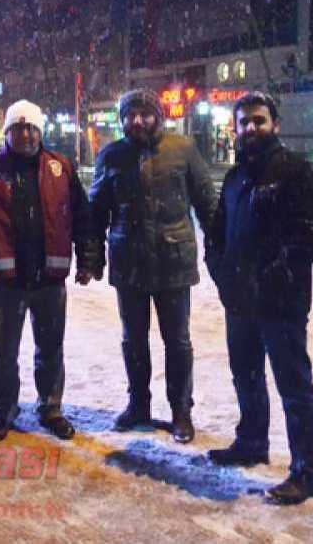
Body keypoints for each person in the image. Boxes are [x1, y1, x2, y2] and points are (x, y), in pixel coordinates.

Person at [204, 92, 313, 505]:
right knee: (247, 377)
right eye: (243, 122)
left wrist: (278, 273)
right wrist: (221, 272)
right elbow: (217, 231)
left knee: (294, 386)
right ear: (235, 128)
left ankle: (307, 470)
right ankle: (252, 441)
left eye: (258, 121)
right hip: (240, 300)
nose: (250, 128)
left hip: (282, 302)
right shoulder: (237, 176)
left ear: (274, 124)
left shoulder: (296, 172)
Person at [0, 100, 101, 441]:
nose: (25, 134)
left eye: (31, 128)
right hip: (5, 282)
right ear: (7, 132)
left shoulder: (60, 168)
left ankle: (50, 407)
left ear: (40, 131)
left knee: (51, 348)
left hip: (49, 279)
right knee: (3, 353)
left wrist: (89, 259)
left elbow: (83, 219)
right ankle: (4, 409)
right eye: (17, 128)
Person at [88, 89, 217, 443]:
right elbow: (96, 212)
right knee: (134, 340)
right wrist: (92, 257)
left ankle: (181, 411)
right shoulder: (111, 155)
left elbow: (207, 204)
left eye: (145, 114)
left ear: (158, 116)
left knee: (177, 341)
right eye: (130, 115)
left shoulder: (183, 149)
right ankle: (138, 406)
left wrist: (220, 252)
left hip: (173, 262)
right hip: (129, 262)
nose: (137, 121)